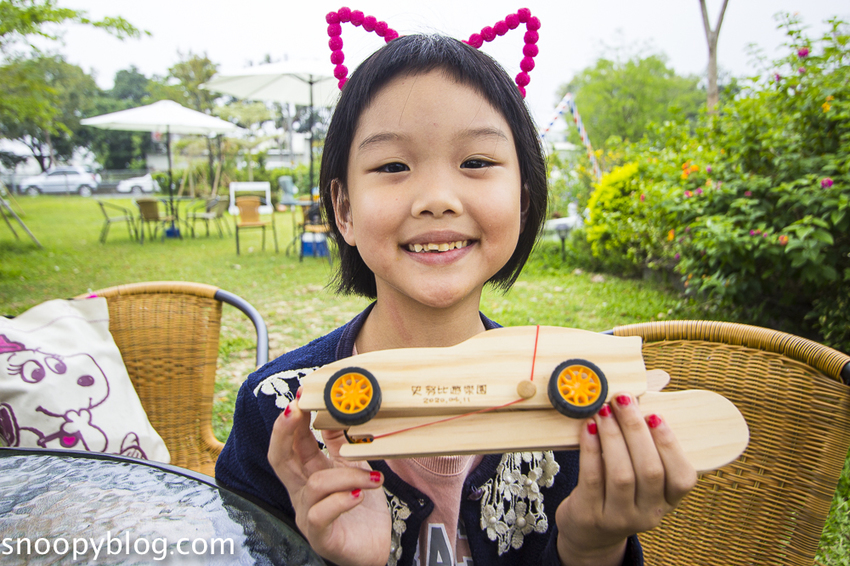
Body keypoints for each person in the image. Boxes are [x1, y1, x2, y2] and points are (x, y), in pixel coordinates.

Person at [216, 32, 697, 566]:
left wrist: (593, 546)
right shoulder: (278, 415)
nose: (438, 200)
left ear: (522, 199)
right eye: (393, 167)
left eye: (476, 161)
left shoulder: (583, 421)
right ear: (344, 207)